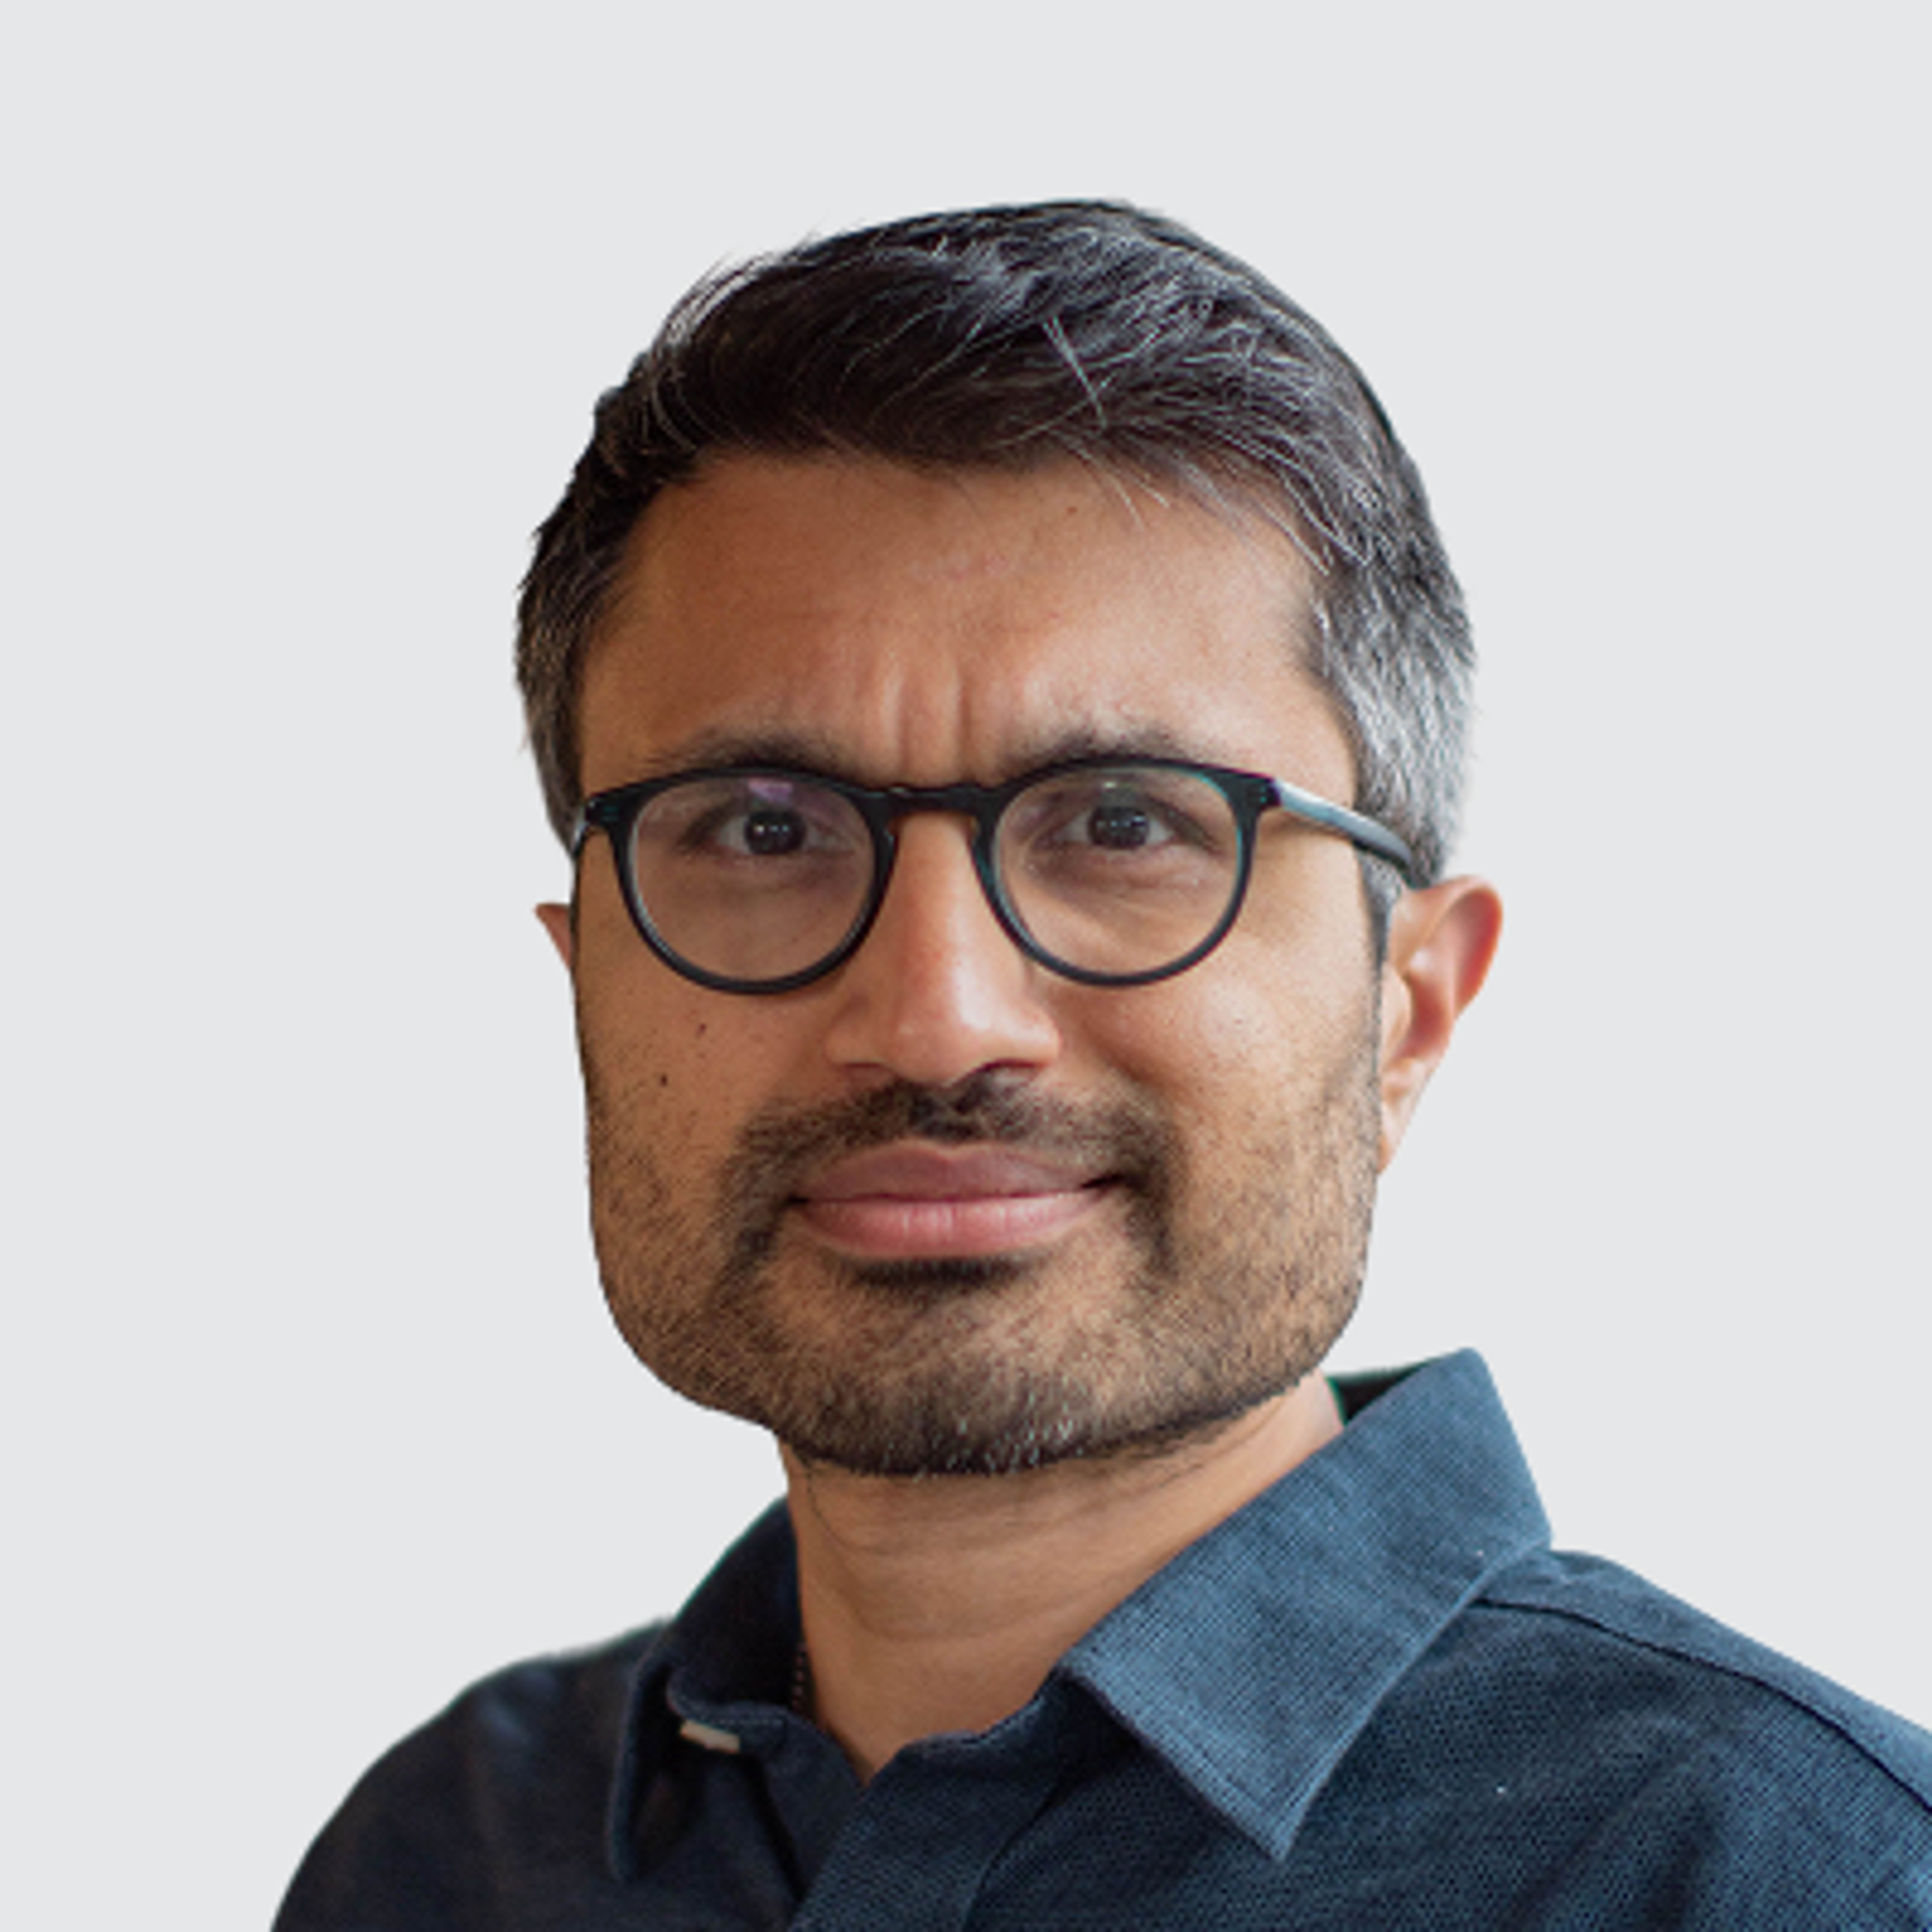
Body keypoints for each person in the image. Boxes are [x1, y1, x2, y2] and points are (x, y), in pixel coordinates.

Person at [276, 201, 1932, 1928]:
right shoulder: (447, 1857)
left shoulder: (1801, 1884)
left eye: (1129, 822)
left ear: (1409, 1007)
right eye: (763, 829)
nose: (935, 1015)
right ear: (584, 985)